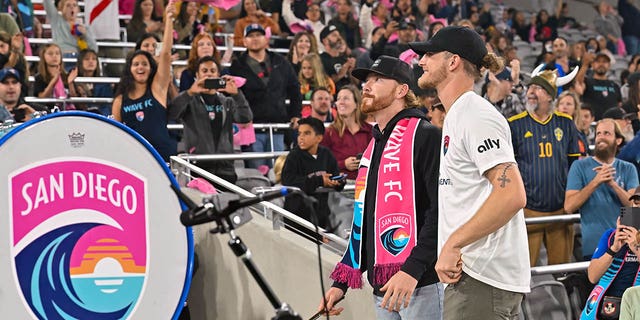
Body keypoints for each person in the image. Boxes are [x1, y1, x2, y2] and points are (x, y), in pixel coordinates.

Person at [410, 26, 530, 318]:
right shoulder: (459, 115)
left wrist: (454, 242)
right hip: (475, 275)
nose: (421, 61)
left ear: (453, 62)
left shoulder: (475, 114)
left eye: (429, 54)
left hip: (482, 277)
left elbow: (512, 194)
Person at [320, 56, 442, 319]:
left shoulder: (426, 135)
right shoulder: (373, 146)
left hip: (420, 284)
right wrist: (340, 284)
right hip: (383, 286)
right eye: (366, 80)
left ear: (402, 90)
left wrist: (412, 270)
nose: (366, 85)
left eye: (377, 79)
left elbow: (441, 210)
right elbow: (367, 219)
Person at [508, 67, 581, 266]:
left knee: (562, 270)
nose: (531, 91)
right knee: (523, 271)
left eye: (538, 88)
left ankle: (565, 297)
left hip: (560, 211)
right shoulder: (515, 124)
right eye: (530, 87)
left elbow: (574, 165)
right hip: (528, 211)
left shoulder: (565, 123)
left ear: (549, 96)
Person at [168, 56, 252, 183]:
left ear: (218, 74)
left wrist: (237, 94)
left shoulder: (227, 101)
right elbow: (172, 113)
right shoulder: (190, 100)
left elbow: (245, 118)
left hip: (225, 168)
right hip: (198, 167)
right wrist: (190, 92)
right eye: (205, 71)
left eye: (213, 71)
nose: (209, 74)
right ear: (197, 75)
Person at [229, 24, 301, 168]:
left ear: (266, 39)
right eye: (250, 36)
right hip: (251, 129)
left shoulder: (281, 62)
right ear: (244, 41)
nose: (255, 39)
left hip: (278, 128)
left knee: (279, 173)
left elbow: (294, 88)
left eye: (258, 35)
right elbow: (231, 96)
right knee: (256, 175)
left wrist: (295, 114)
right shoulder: (237, 66)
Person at [565, 119, 639, 260]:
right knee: (596, 282)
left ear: (618, 140)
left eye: (606, 133)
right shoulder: (579, 166)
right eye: (598, 133)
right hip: (594, 247)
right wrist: (596, 182)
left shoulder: (628, 168)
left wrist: (612, 184)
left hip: (625, 246)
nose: (601, 137)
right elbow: (569, 206)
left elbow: (633, 208)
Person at [112, 3, 177, 162]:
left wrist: (168, 20)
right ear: (129, 69)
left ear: (151, 68)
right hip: (134, 159)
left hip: (162, 158)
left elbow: (166, 53)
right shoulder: (120, 100)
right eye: (136, 64)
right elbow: (115, 134)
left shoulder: (157, 89)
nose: (140, 67)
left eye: (144, 64)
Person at [281, 117, 344, 229]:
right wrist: (319, 180)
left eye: (307, 133)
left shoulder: (326, 154)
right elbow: (288, 180)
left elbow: (334, 175)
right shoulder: (294, 156)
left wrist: (338, 182)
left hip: (320, 215)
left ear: (319, 138)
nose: (301, 137)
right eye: (299, 133)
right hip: (297, 217)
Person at [581, 208, 640, 319]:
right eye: (635, 203)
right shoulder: (610, 236)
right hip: (604, 305)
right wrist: (613, 249)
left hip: (635, 306)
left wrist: (637, 249)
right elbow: (592, 277)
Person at [321, 85, 372, 180]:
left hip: (366, 184)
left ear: (357, 104)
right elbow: (322, 163)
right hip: (339, 186)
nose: (341, 102)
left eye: (346, 98)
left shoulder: (369, 131)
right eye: (338, 99)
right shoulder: (329, 132)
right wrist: (343, 164)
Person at [43, 0, 97, 69]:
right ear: (62, 9)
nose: (72, 8)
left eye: (74, 5)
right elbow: (47, 3)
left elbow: (94, 49)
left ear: (78, 10)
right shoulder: (56, 20)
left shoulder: (85, 27)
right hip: (61, 57)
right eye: (68, 5)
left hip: (78, 59)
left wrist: (85, 35)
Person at [575, 51, 622, 121]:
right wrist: (585, 65)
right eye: (598, 61)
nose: (601, 64)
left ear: (609, 65)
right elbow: (578, 83)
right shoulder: (587, 82)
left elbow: (619, 105)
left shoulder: (615, 85)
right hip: (591, 122)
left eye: (604, 62)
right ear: (593, 64)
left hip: (611, 124)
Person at [68, 49, 114, 115]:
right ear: (81, 62)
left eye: (94, 59)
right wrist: (70, 84)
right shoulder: (75, 81)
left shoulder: (104, 83)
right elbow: (74, 104)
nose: (91, 62)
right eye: (87, 59)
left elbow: (106, 106)